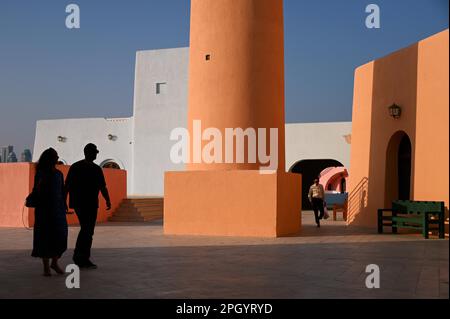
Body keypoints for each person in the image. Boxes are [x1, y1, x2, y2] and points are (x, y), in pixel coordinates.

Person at [65, 143, 111, 269]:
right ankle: (81, 258)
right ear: (89, 153)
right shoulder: (95, 169)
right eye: (95, 152)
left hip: (81, 203)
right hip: (88, 204)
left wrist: (64, 201)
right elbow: (103, 187)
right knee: (87, 230)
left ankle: (81, 257)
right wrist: (107, 200)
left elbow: (67, 186)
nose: (97, 153)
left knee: (86, 229)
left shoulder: (76, 167)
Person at [31, 148, 68, 276]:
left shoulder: (59, 174)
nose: (57, 158)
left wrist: (64, 206)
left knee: (60, 237)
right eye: (55, 156)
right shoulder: (41, 174)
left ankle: (54, 262)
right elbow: (37, 190)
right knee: (45, 238)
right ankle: (46, 266)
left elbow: (62, 191)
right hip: (44, 211)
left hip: (58, 211)